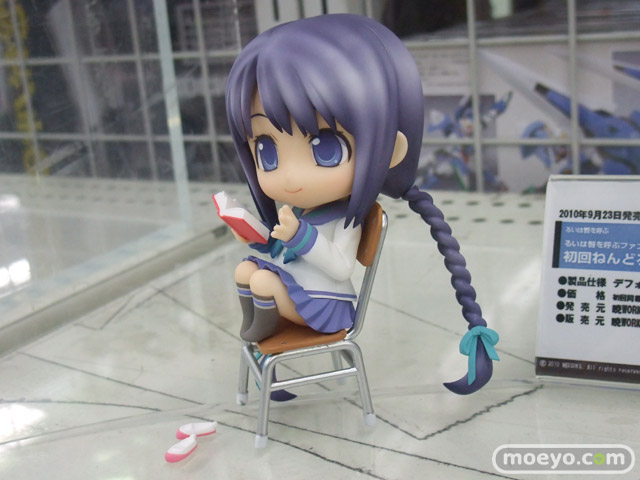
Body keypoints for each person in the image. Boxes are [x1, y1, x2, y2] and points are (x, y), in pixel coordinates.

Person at [225, 14, 499, 394]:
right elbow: (287, 253)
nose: (290, 176)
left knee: (262, 280)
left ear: (390, 149)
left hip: (325, 304)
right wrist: (258, 237)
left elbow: (340, 266)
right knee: (246, 270)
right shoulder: (303, 210)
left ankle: (264, 334)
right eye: (266, 151)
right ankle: (260, 333)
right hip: (298, 290)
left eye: (326, 148)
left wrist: (301, 236)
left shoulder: (348, 218)